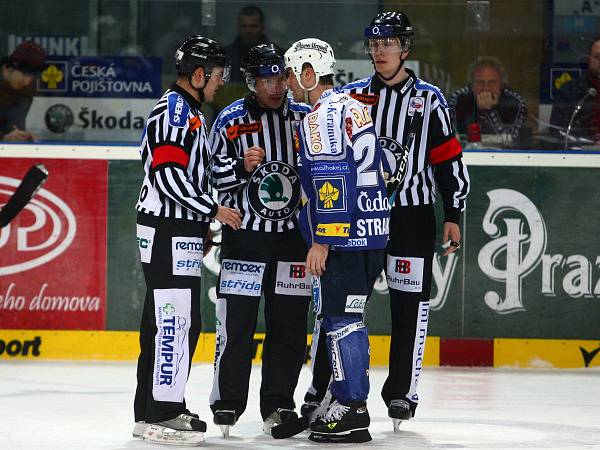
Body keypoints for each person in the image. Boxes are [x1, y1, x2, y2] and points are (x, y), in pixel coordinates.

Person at [302, 11, 470, 433]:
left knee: (409, 307)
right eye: (374, 44)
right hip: (362, 218)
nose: (380, 51)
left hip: (412, 217)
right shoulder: (353, 96)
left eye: (388, 43)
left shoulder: (429, 99)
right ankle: (324, 389)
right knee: (340, 305)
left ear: (405, 49)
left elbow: (448, 159)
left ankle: (401, 392)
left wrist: (452, 214)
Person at [132, 35, 243, 446]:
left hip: (176, 230)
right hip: (166, 230)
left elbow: (202, 172)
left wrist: (243, 170)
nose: (220, 82)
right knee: (176, 322)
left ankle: (150, 412)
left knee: (164, 322)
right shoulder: (175, 112)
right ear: (198, 74)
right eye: (216, 75)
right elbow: (168, 176)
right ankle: (163, 413)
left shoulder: (190, 112)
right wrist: (213, 211)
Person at [285, 37, 396, 443]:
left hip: (345, 239)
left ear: (309, 73)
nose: (289, 83)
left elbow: (332, 177)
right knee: (347, 315)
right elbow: (382, 168)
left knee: (341, 319)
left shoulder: (321, 118)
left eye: (292, 73)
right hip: (373, 232)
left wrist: (322, 240)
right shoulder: (353, 106)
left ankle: (352, 407)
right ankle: (335, 396)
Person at [208, 43, 312, 437]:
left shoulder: (305, 117)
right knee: (237, 325)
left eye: (280, 77)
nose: (276, 87)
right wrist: (239, 165)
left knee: (288, 326)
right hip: (245, 238)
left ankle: (279, 404)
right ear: (251, 82)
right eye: (266, 79)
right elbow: (208, 178)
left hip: (293, 241)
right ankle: (228, 404)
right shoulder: (230, 120)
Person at [449, 56, 527, 145]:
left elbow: (511, 141)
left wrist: (488, 111)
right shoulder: (459, 99)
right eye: (479, 82)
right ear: (472, 85)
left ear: (502, 84)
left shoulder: (515, 102)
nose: (486, 89)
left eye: (492, 82)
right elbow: (451, 137)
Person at [550, 37, 600, 145]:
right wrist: (591, 143)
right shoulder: (569, 91)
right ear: (589, 60)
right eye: (597, 57)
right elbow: (558, 132)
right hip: (580, 156)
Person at [0, 40, 46, 142]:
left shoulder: (24, 93)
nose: (27, 82)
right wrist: (2, 138)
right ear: (8, 68)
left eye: (32, 77)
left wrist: (23, 137)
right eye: (25, 74)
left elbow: (13, 131)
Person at [224, 5, 270, 83]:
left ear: (262, 27)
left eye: (253, 26)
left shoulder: (274, 55)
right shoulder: (226, 55)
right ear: (238, 27)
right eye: (244, 26)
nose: (248, 30)